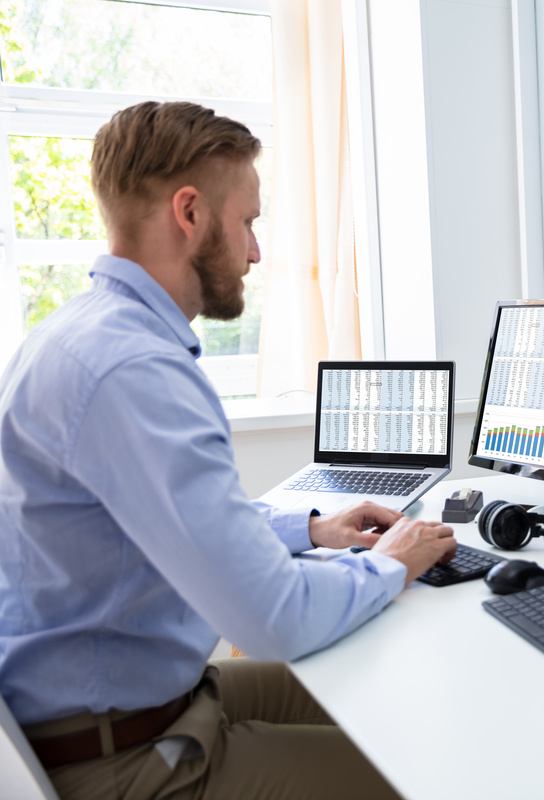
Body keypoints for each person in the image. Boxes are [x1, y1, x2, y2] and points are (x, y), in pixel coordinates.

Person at [0, 101, 457, 799]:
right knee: (431, 773)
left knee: (399, 700)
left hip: (143, 707)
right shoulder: (132, 372)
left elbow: (151, 527)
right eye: (247, 222)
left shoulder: (78, 333)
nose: (254, 252)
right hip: (125, 756)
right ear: (188, 213)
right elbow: (273, 620)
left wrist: (309, 530)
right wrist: (391, 565)